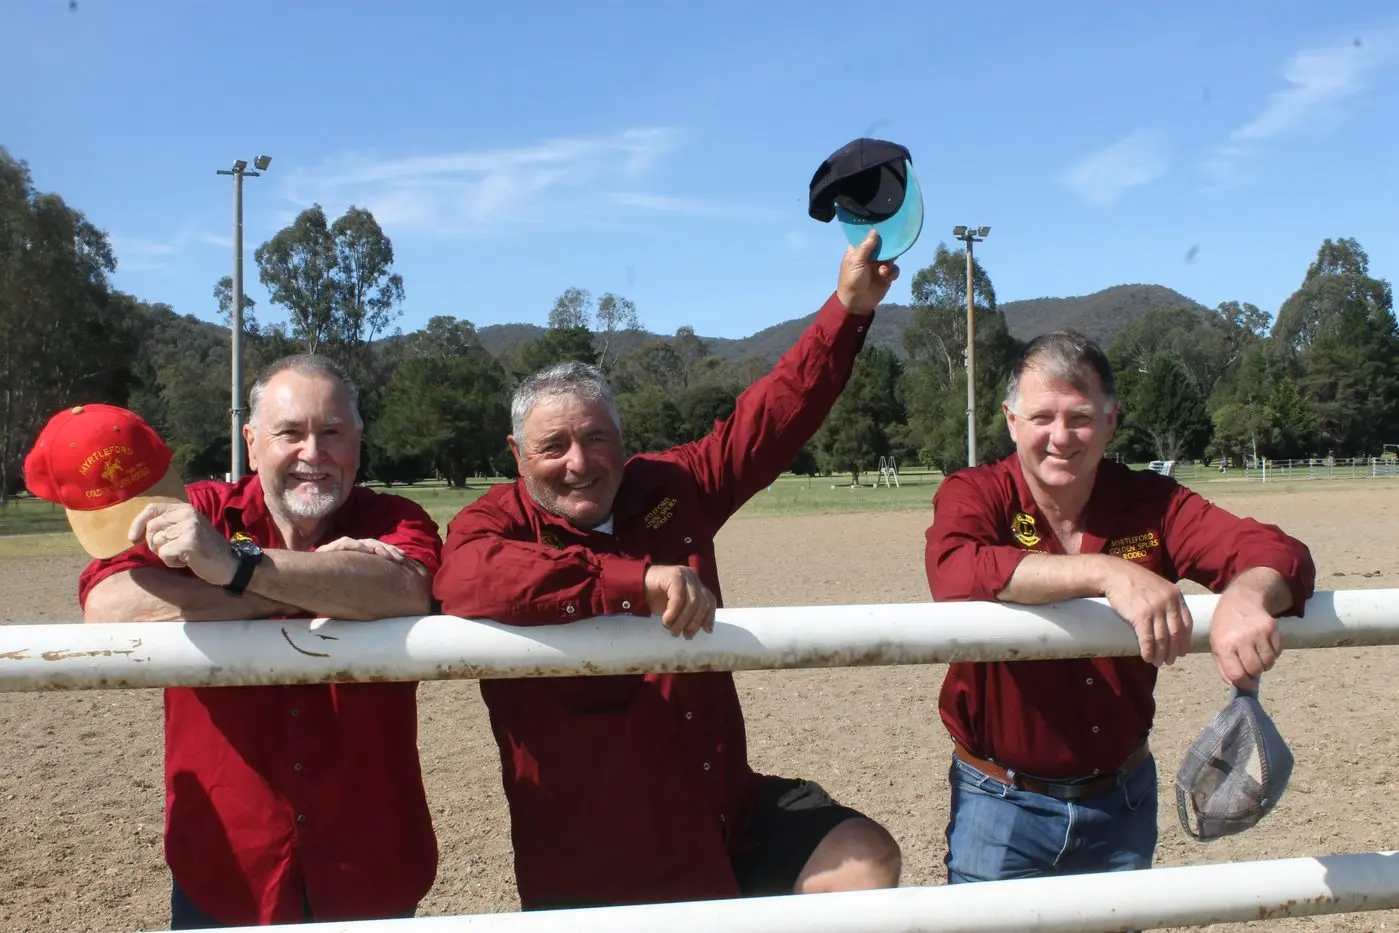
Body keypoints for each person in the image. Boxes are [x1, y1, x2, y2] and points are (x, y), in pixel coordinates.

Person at [434, 230, 903, 910]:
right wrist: (635, 581)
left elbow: (772, 415)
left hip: (720, 805)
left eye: (596, 437)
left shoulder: (669, 487)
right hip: (595, 849)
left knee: (862, 860)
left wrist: (848, 308)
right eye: (553, 445)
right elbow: (467, 578)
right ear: (515, 452)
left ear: (622, 439)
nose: (579, 460)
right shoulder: (492, 523)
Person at [924, 330, 1316, 885]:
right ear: (1011, 420)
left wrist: (1248, 594)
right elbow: (957, 570)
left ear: (1111, 421)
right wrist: (1107, 572)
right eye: (1041, 417)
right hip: (1000, 799)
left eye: (1080, 416)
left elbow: (1277, 552)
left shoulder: (1152, 502)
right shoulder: (977, 492)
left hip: (1122, 798)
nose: (1061, 437)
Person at [73, 355, 441, 928]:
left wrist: (231, 567)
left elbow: (409, 590)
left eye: (333, 433)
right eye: (289, 432)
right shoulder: (198, 513)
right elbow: (109, 607)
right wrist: (313, 586)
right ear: (251, 439)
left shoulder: (394, 518)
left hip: (369, 863)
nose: (313, 455)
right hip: (227, 869)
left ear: (359, 441)